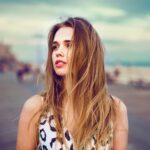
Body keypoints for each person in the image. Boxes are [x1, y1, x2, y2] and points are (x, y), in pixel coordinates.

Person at [16, 17, 128, 150]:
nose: (58, 52)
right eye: (55, 47)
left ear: (89, 53)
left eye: (68, 45)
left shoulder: (114, 109)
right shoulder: (36, 108)